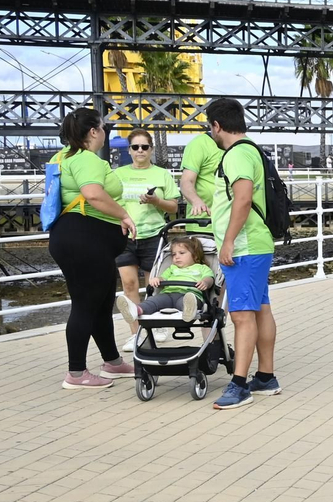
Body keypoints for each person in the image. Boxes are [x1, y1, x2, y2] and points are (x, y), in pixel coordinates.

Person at [47, 108, 137, 389]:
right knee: (86, 304)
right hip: (85, 239)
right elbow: (93, 194)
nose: (105, 132)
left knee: (99, 303)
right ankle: (76, 373)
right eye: (103, 127)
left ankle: (112, 362)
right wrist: (123, 215)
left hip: (71, 237)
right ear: (93, 132)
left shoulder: (60, 157)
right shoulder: (86, 159)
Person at [206, 98, 280, 409]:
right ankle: (265, 377)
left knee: (241, 315)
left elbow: (243, 199)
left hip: (245, 247)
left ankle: (239, 385)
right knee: (260, 308)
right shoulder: (252, 150)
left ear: (217, 126)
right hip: (256, 244)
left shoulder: (235, 155)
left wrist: (228, 242)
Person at [114, 128, 180, 331]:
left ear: (151, 149)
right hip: (125, 236)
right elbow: (110, 203)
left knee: (154, 285)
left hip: (154, 234)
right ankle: (137, 332)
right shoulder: (118, 174)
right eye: (135, 147)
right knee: (129, 284)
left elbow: (174, 207)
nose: (140, 151)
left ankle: (155, 327)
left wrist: (156, 200)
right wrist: (119, 219)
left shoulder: (162, 174)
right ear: (130, 150)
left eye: (144, 147)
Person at [117, 235, 215, 325]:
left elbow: (209, 278)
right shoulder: (172, 268)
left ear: (195, 255)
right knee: (153, 301)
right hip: (168, 294)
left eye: (181, 253)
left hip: (189, 294)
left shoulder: (202, 268)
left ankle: (188, 311)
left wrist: (205, 282)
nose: (176, 257)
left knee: (188, 301)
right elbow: (163, 278)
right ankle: (136, 310)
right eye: (173, 254)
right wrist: (157, 279)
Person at [177, 131, 223, 228]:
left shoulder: (241, 145)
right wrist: (196, 200)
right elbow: (186, 181)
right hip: (202, 224)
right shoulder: (199, 143)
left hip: (233, 226)